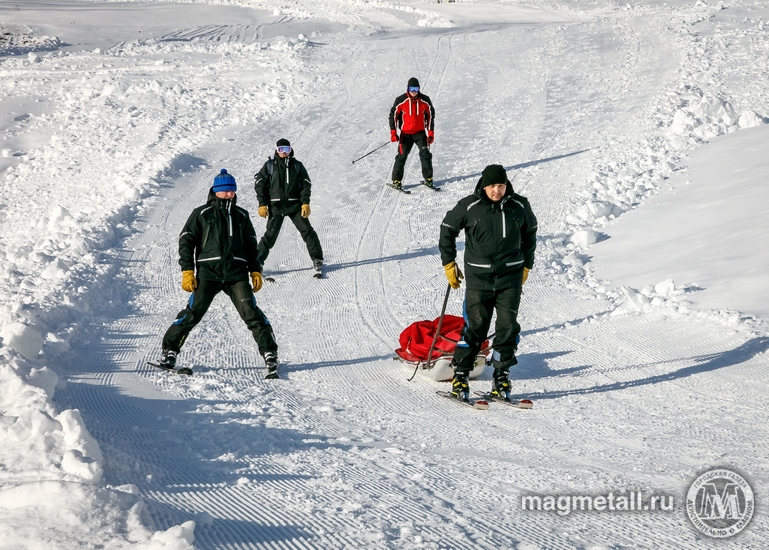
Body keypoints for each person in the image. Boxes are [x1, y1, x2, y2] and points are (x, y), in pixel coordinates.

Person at [157, 169, 280, 378]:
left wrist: (256, 270)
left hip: (236, 274)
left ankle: (270, 353)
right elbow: (186, 241)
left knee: (251, 312)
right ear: (216, 191)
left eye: (232, 190)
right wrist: (188, 270)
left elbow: (251, 245)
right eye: (226, 191)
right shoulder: (202, 213)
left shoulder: (241, 215)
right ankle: (170, 351)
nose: (230, 194)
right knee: (193, 313)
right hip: (208, 273)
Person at [438, 164, 537, 401]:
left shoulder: (519, 205)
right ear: (484, 185)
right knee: (475, 327)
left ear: (506, 185)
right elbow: (447, 228)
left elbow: (530, 232)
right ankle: (460, 376)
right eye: (492, 186)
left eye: (501, 185)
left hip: (510, 278)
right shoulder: (470, 206)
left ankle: (501, 376)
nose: (496, 190)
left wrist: (527, 265)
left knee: (507, 326)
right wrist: (448, 263)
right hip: (478, 278)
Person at [253, 139, 324, 277]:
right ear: (276, 150)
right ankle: (257, 264)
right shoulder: (269, 166)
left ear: (291, 150)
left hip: (295, 205)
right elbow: (260, 184)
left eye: (286, 149)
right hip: (276, 206)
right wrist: (262, 204)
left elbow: (306, 184)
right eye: (281, 150)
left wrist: (305, 203)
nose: (284, 153)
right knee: (270, 236)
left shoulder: (297, 166)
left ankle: (317, 259)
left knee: (307, 231)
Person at [388, 77, 436, 190]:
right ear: (408, 89)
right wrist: (393, 132)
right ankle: (396, 180)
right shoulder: (401, 100)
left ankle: (429, 179)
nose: (413, 91)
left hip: (420, 134)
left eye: (416, 88)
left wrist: (430, 132)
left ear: (419, 88)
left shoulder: (425, 100)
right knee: (402, 156)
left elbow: (430, 115)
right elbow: (393, 115)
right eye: (411, 89)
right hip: (406, 134)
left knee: (425, 155)